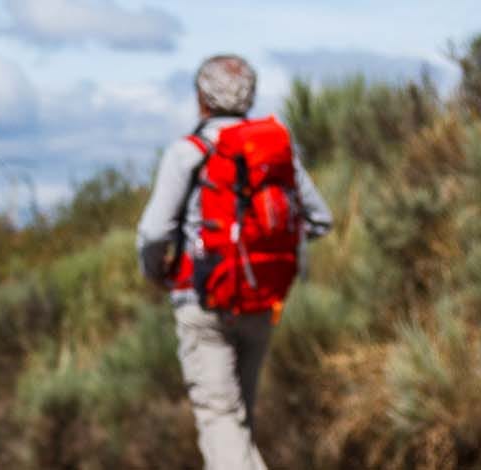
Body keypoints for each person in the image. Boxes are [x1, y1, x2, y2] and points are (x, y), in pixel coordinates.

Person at [134, 54, 333, 470]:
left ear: (202, 99)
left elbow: (154, 233)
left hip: (202, 300)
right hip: (261, 299)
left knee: (220, 417)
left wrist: (157, 273)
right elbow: (320, 219)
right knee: (238, 416)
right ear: (250, 96)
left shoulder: (187, 153)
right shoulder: (275, 150)